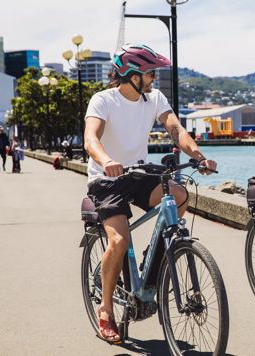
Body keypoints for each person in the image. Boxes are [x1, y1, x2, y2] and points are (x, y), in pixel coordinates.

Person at [84, 43, 217, 343]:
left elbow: (175, 130)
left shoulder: (153, 98)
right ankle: (106, 310)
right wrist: (106, 161)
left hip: (139, 173)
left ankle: (155, 256)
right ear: (132, 74)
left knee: (180, 195)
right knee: (118, 240)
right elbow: (90, 138)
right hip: (108, 178)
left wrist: (198, 155)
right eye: (150, 72)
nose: (154, 78)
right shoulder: (103, 100)